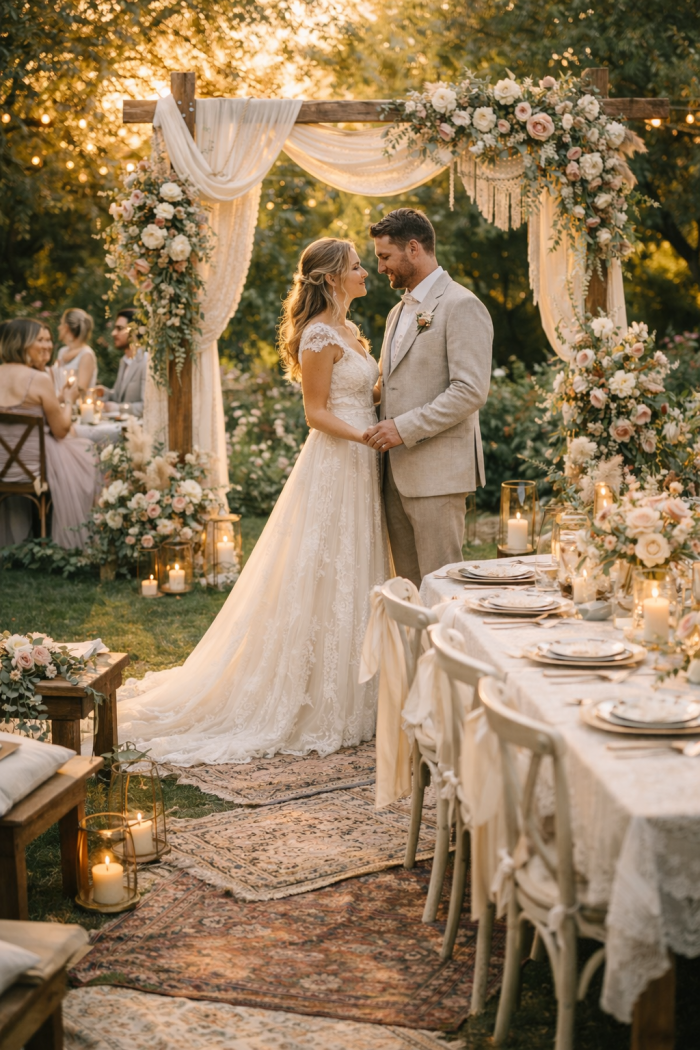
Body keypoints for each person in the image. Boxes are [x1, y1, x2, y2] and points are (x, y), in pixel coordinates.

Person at [117, 238, 389, 765]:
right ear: (333, 277)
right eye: (358, 267)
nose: (365, 274)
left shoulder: (352, 333)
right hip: (337, 460)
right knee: (322, 567)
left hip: (362, 462)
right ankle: (307, 693)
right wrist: (365, 437)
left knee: (353, 566)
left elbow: (363, 394)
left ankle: (352, 687)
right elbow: (315, 413)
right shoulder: (316, 334)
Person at [364, 208, 493, 588]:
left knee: (444, 590)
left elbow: (470, 390)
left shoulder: (461, 304)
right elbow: (391, 386)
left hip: (438, 476)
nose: (381, 267)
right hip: (394, 475)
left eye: (385, 257)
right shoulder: (396, 312)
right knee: (407, 590)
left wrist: (403, 428)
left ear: (414, 248)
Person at [0, 317, 97, 548]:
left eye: (48, 341)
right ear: (22, 343)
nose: (46, 346)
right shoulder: (39, 379)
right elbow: (61, 430)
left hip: (2, 464)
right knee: (89, 453)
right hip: (35, 466)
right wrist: (70, 401)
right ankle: (83, 533)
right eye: (39, 341)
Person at [94, 309, 148, 417]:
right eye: (114, 328)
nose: (113, 333)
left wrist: (119, 408)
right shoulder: (124, 361)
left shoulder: (145, 362)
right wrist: (105, 393)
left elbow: (146, 407)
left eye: (120, 329)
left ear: (135, 331)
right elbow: (118, 397)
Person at [54, 308, 98, 397]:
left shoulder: (86, 355)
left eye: (61, 323)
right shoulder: (62, 351)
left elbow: (80, 391)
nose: (58, 327)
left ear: (66, 328)